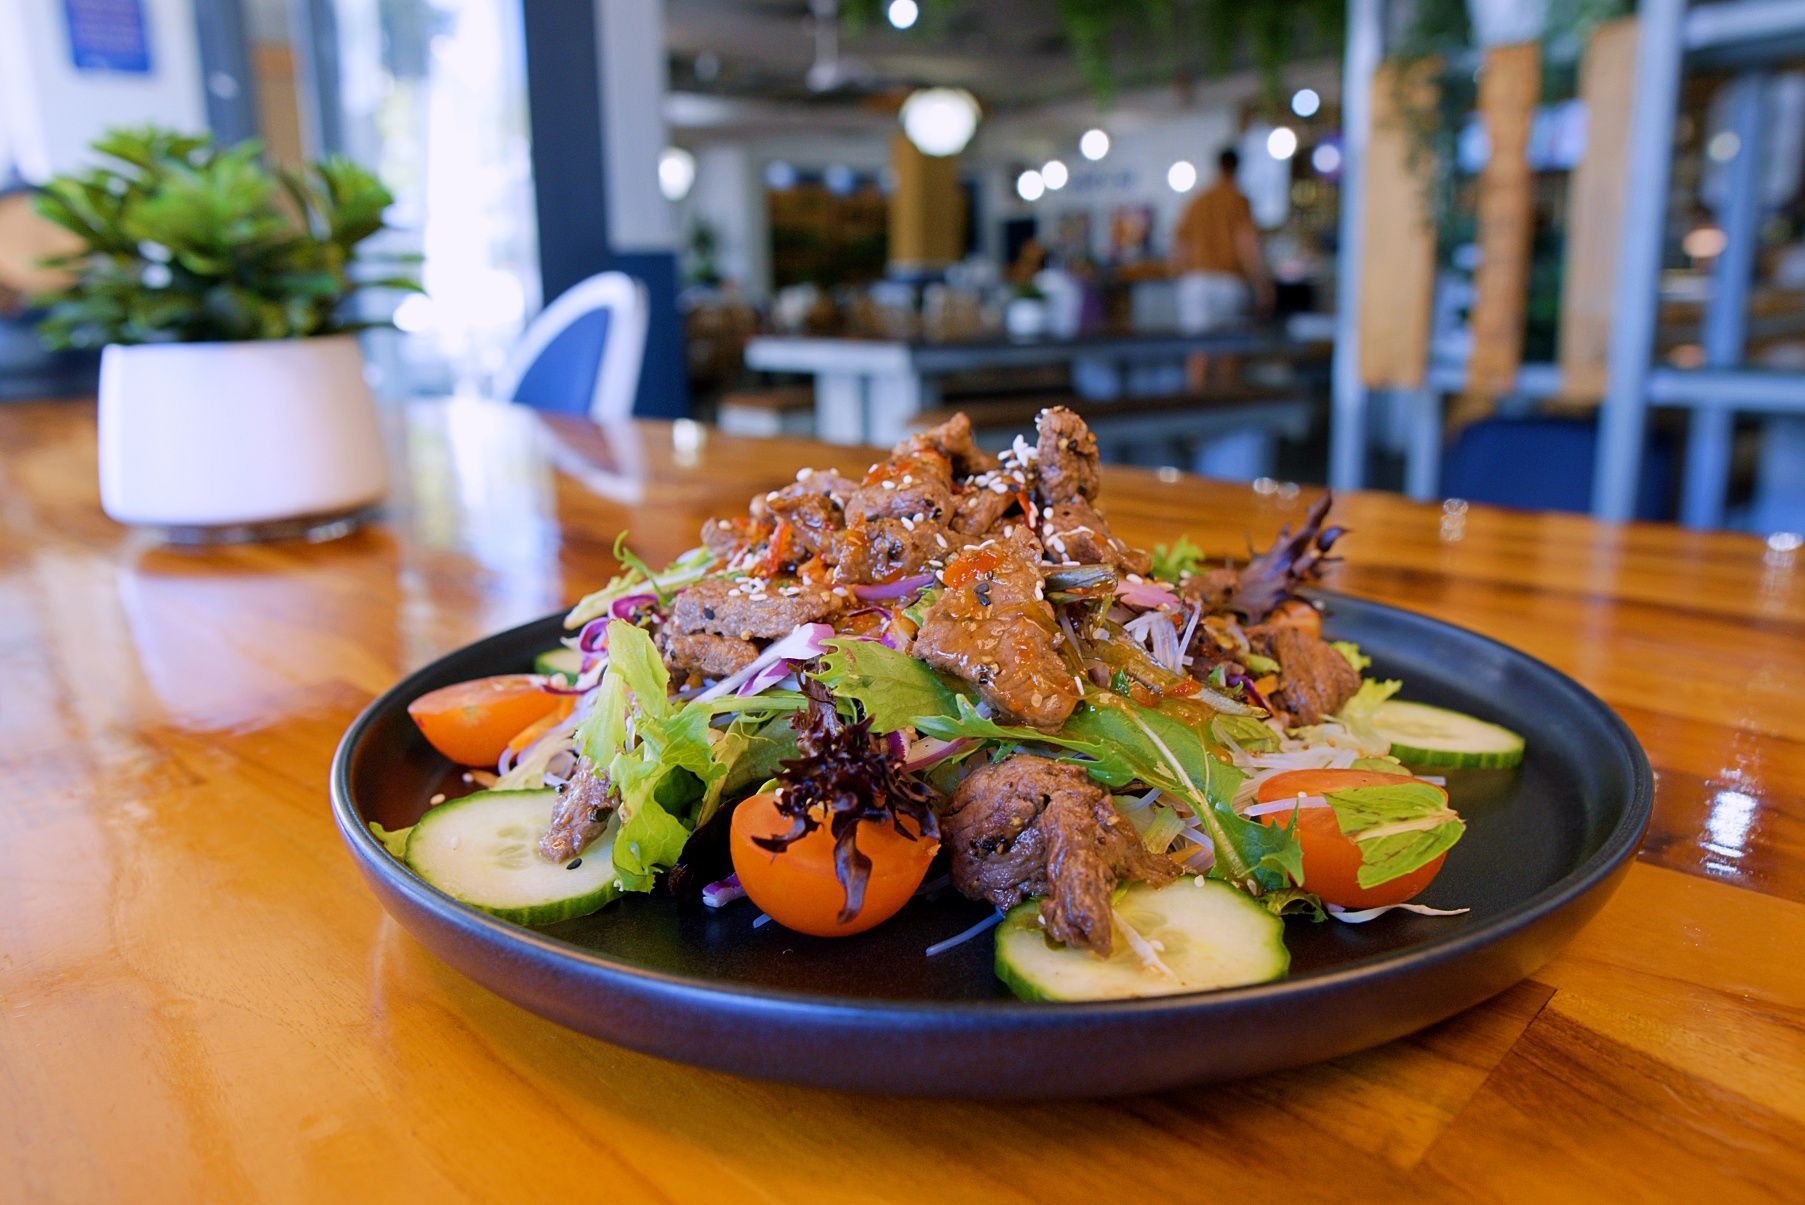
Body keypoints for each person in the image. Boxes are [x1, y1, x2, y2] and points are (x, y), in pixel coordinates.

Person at [1171, 147, 1272, 389]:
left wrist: (1180, 277)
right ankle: (1224, 408)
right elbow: (1246, 242)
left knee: (1197, 352)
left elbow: (1178, 245)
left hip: (1195, 282)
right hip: (1228, 283)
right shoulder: (1238, 201)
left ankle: (1196, 413)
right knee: (1228, 351)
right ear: (1238, 167)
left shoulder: (1198, 201)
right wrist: (1261, 284)